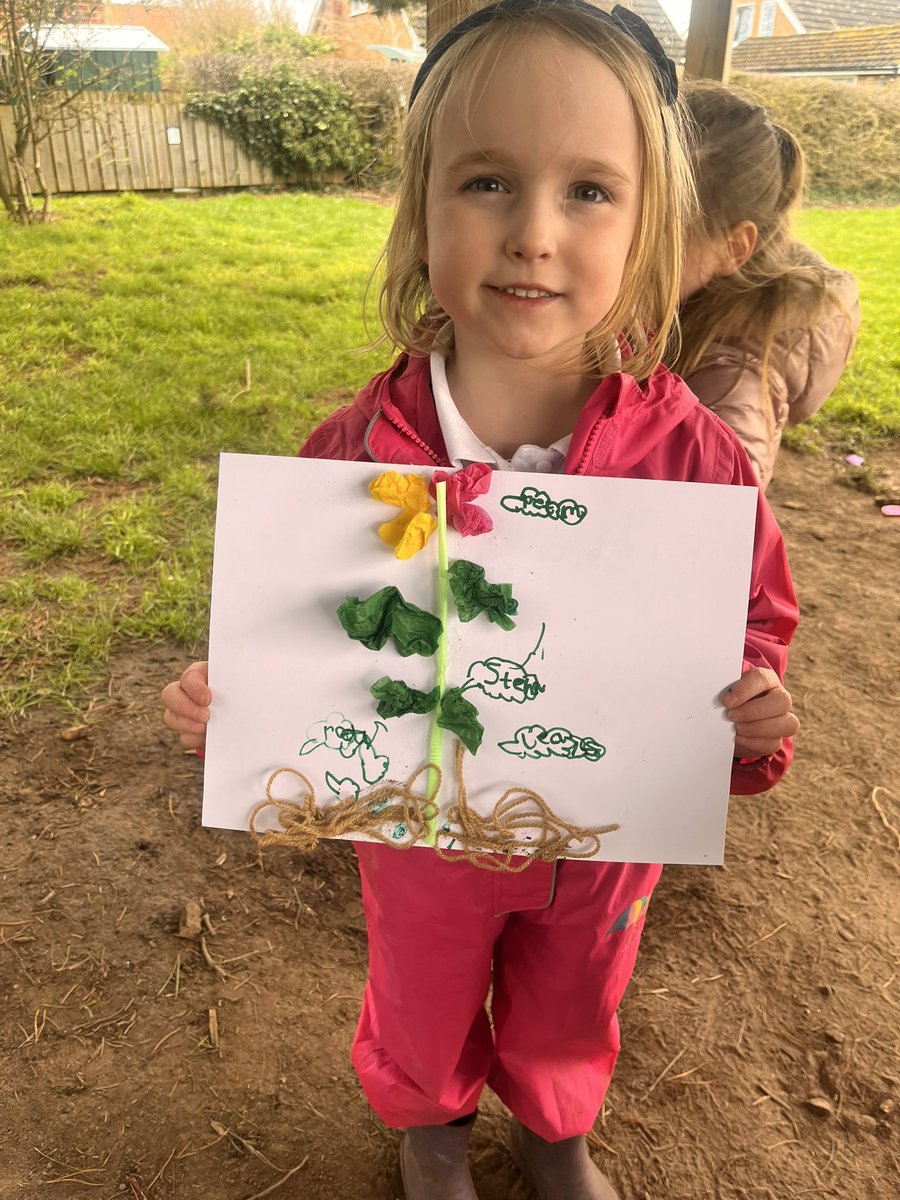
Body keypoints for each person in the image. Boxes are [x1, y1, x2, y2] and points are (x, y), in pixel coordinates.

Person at [161, 4, 800, 1197]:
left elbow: (752, 622)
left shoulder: (698, 462)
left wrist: (753, 706)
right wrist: (234, 710)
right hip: (422, 848)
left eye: (591, 192)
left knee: (577, 991)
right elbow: (295, 639)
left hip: (602, 853)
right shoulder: (350, 457)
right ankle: (430, 1127)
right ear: (422, 209)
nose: (535, 235)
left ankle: (557, 1129)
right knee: (422, 988)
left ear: (652, 223)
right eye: (490, 180)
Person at [673, 79, 860, 490]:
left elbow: (718, 530)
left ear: (733, 248)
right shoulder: (670, 309)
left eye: (660, 231)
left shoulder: (729, 383)